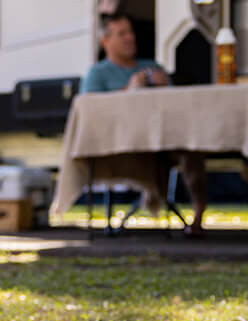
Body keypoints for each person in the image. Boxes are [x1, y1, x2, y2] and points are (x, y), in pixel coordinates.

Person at [80, 13, 209, 236]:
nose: (130, 38)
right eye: (122, 34)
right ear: (106, 41)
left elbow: (175, 104)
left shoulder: (151, 66)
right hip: (122, 141)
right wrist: (130, 88)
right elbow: (90, 110)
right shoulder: (97, 73)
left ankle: (198, 216)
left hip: (163, 137)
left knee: (191, 146)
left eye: (131, 32)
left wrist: (164, 85)